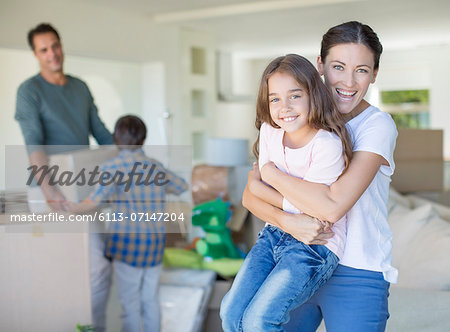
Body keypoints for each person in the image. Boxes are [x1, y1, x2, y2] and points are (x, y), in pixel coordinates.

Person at [240, 21, 398, 332]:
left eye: (362, 70)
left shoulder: (377, 127)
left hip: (356, 268)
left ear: (375, 74)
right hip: (299, 258)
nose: (348, 82)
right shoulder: (295, 118)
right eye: (338, 67)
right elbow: (249, 194)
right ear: (320, 65)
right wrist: (288, 222)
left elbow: (331, 207)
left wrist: (269, 172)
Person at [220, 54, 353, 331]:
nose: (285, 108)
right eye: (275, 99)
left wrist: (266, 179)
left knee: (259, 319)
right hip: (273, 235)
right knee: (231, 313)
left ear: (312, 95)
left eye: (294, 96)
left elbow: (315, 211)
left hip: (315, 246)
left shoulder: (326, 144)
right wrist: (259, 187)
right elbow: (252, 195)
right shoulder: (270, 131)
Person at [14, 23, 114, 332]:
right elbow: (34, 143)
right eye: (44, 49)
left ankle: (89, 327)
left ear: (61, 45)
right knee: (59, 268)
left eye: (54, 45)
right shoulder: (30, 91)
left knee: (97, 267)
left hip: (82, 188)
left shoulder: (80, 87)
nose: (52, 53)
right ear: (35, 54)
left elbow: (101, 134)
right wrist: (49, 190)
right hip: (50, 190)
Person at [70, 115, 188, 332]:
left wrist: (68, 207)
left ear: (116, 138)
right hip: (153, 247)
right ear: (143, 139)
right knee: (150, 299)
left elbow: (92, 202)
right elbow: (181, 186)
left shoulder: (111, 167)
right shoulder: (156, 167)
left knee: (130, 304)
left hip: (125, 247)